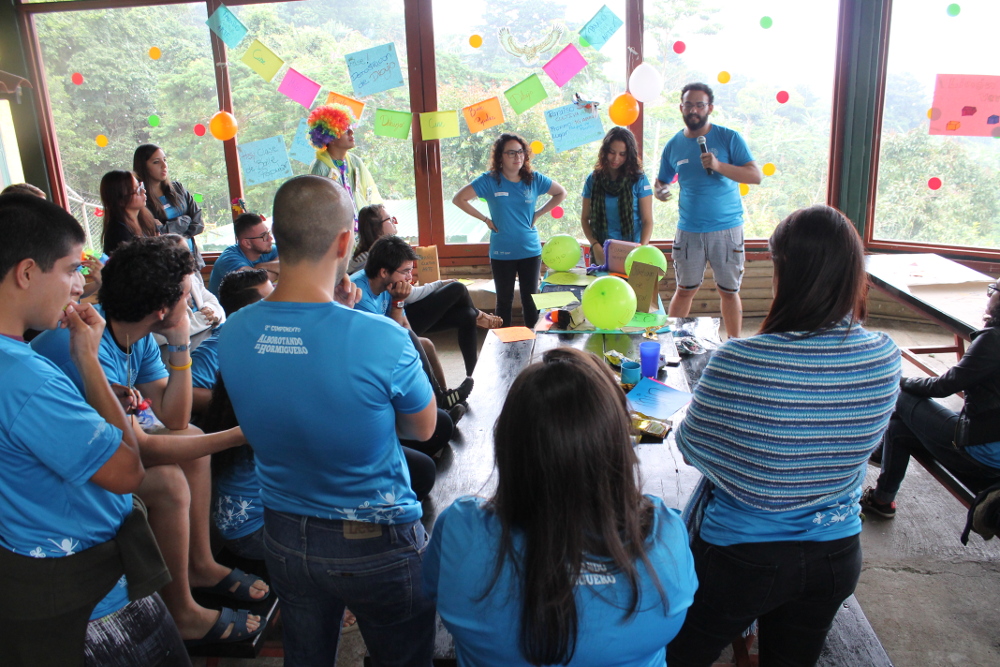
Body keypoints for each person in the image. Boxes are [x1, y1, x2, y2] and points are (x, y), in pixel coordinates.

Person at [665, 205, 901, 667]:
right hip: (836, 554)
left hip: (741, 557)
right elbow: (860, 445)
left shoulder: (739, 358)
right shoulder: (884, 356)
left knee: (678, 656)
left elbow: (691, 447)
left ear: (784, 274)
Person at [218, 175, 438, 664]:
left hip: (283, 533)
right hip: (376, 537)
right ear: (345, 242)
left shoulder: (232, 333)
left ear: (279, 237)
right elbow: (422, 428)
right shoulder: (380, 337)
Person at [31, 236, 268, 646]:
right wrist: (235, 436)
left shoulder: (134, 334)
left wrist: (179, 342)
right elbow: (137, 448)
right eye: (185, 298)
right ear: (161, 308)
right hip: (54, 467)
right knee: (170, 481)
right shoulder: (85, 343)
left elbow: (173, 417)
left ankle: (200, 565)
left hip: (103, 449)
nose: (192, 305)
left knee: (191, 435)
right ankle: (182, 613)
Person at [0, 193, 187, 665]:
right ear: (26, 272)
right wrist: (88, 361)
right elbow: (127, 471)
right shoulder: (26, 378)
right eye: (68, 269)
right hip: (88, 599)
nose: (79, 284)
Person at [424, 347, 697, 665]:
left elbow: (433, 591)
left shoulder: (460, 529)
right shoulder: (666, 536)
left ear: (508, 444)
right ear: (618, 446)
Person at [861, 282, 1000, 521]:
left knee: (902, 399)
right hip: (990, 439)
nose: (989, 295)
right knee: (898, 428)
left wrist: (899, 380)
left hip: (983, 451)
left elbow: (943, 386)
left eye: (993, 290)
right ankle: (882, 498)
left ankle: (878, 457)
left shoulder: (993, 340)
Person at [653, 83, 762, 339]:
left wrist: (718, 165)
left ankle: (734, 346)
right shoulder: (673, 145)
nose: (693, 110)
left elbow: (755, 175)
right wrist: (660, 191)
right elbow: (662, 181)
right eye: (688, 104)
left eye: (699, 105)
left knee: (729, 291)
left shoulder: (728, 137)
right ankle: (674, 343)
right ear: (681, 107)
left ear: (709, 108)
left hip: (727, 229)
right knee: (685, 289)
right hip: (689, 229)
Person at [353, 203, 502, 375]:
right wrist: (438, 284)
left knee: (466, 315)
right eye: (389, 219)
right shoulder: (369, 261)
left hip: (402, 312)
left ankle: (473, 375)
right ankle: (479, 316)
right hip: (396, 316)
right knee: (457, 289)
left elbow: (405, 291)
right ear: (376, 226)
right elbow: (407, 297)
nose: (395, 221)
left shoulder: (390, 250)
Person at [352, 234, 474, 418]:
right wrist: (398, 302)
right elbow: (389, 341)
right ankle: (441, 403)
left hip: (382, 342)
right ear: (384, 272)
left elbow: (405, 328)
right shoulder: (360, 295)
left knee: (425, 345)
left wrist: (413, 341)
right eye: (406, 271)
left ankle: (443, 399)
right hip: (363, 359)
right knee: (413, 346)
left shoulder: (387, 284)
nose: (410, 277)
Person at [453, 133, 567, 329]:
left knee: (531, 301)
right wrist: (485, 220)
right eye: (511, 153)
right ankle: (502, 346)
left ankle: (533, 343)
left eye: (521, 152)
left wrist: (539, 213)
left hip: (529, 250)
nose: (517, 157)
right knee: (504, 302)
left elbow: (560, 192)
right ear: (500, 157)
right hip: (502, 251)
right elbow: (459, 199)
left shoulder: (534, 179)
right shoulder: (489, 181)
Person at [581, 127, 654, 265]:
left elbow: (647, 221)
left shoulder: (638, 179)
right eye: (612, 152)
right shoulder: (593, 179)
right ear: (605, 151)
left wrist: (641, 250)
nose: (616, 159)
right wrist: (595, 245)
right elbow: (585, 219)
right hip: (602, 251)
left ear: (629, 155)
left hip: (633, 252)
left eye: (622, 154)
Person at [134, 143, 205, 269]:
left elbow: (198, 223)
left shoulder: (177, 188)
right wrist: (184, 221)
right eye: (156, 162)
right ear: (143, 166)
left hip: (192, 259)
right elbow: (154, 236)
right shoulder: (141, 199)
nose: (164, 166)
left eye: (165, 160)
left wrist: (169, 229)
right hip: (165, 266)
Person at [308, 103, 382, 215]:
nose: (351, 132)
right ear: (331, 137)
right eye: (345, 130)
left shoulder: (355, 161)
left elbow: (369, 193)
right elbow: (317, 207)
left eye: (350, 128)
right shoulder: (320, 167)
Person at [158, 234, 224, 342]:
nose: (191, 258)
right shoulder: (161, 288)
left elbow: (212, 300)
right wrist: (204, 318)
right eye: (183, 254)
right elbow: (166, 333)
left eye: (189, 253)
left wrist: (209, 310)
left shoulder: (191, 276)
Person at [207, 212, 279, 296]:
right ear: (247, 243)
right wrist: (277, 271)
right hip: (228, 308)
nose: (270, 239)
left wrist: (261, 266)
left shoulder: (269, 249)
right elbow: (258, 284)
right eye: (264, 236)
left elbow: (288, 266)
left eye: (268, 233)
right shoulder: (228, 259)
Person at [100, 170, 158, 256]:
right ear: (121, 201)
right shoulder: (118, 233)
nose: (143, 191)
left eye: (140, 186)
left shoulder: (146, 218)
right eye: (137, 190)